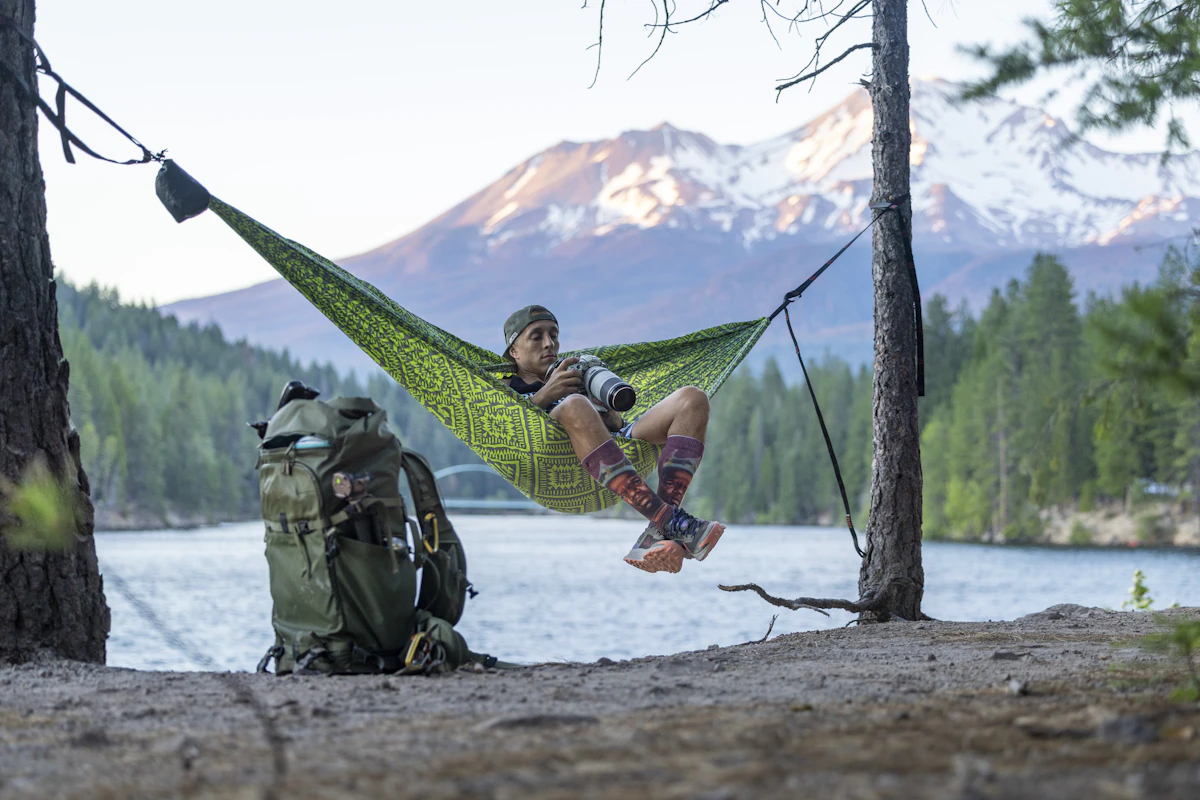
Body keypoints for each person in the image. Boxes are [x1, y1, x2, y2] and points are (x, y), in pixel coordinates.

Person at [502, 304, 725, 573]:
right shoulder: (503, 387)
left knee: (693, 398)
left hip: (618, 444)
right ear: (514, 350)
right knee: (574, 404)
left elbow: (617, 423)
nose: (549, 343)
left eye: (554, 335)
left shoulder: (573, 371)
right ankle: (669, 520)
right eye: (536, 336)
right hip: (557, 465)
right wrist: (546, 395)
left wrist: (609, 415)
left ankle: (658, 534)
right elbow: (508, 427)